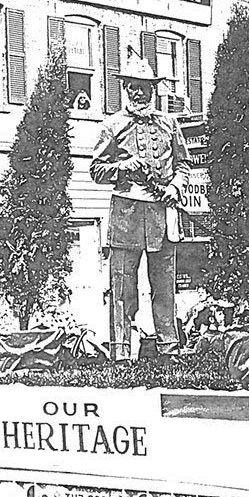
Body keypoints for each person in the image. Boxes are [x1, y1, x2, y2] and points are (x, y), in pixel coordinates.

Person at [90, 49, 190, 362]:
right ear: (124, 89)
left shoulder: (170, 124)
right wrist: (124, 166)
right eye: (132, 86)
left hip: (161, 212)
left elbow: (184, 164)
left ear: (153, 90)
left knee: (164, 285)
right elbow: (96, 170)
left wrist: (175, 186)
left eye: (144, 87)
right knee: (122, 286)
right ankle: (121, 352)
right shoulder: (112, 126)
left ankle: (168, 348)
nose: (138, 92)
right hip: (126, 213)